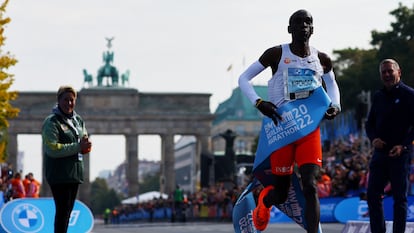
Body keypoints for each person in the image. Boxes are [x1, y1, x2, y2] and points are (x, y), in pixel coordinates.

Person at [238, 9, 341, 233]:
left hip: (308, 128)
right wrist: (259, 102)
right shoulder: (276, 54)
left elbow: (331, 84)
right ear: (289, 29)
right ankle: (265, 202)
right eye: (298, 22)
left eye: (308, 22)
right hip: (281, 129)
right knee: (282, 193)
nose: (303, 26)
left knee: (310, 184)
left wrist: (335, 105)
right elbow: (244, 78)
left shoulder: (321, 59)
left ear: (312, 29)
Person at [365, 58, 414, 233]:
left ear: (399, 72)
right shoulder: (378, 96)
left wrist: (404, 146)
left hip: (400, 154)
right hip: (380, 154)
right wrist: (373, 139)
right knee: (372, 195)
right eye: (383, 72)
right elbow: (369, 124)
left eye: (390, 71)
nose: (386, 74)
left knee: (400, 198)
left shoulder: (410, 95)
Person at [42, 85, 92, 233]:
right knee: (63, 212)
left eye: (72, 100)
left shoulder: (78, 120)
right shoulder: (52, 122)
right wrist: (77, 147)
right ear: (59, 100)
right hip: (59, 173)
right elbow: (52, 149)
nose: (69, 103)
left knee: (67, 213)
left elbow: (83, 139)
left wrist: (86, 146)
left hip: (74, 174)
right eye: (65, 100)